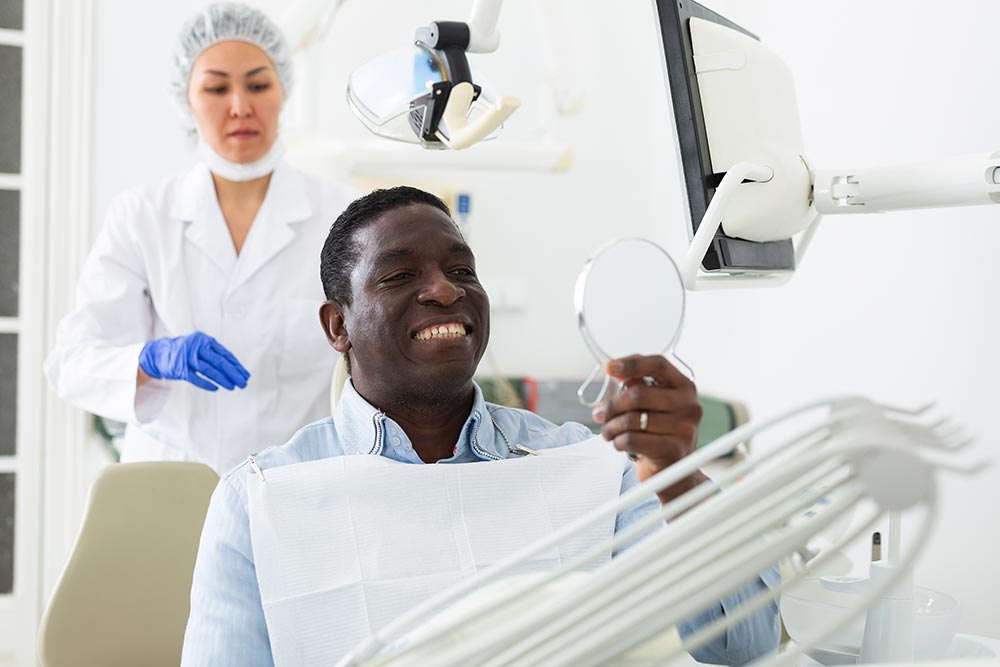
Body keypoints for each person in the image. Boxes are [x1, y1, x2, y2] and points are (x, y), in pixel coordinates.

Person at [181, 186, 781, 666]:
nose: (444, 290)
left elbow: (741, 644)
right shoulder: (261, 501)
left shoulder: (592, 472)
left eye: (461, 270)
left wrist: (677, 479)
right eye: (399, 276)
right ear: (337, 326)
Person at [44, 3, 356, 473]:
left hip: (297, 486)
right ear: (185, 98)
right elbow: (71, 363)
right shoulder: (143, 217)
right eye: (215, 87)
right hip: (173, 489)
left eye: (257, 84)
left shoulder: (344, 216)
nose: (239, 106)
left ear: (283, 89)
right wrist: (151, 359)